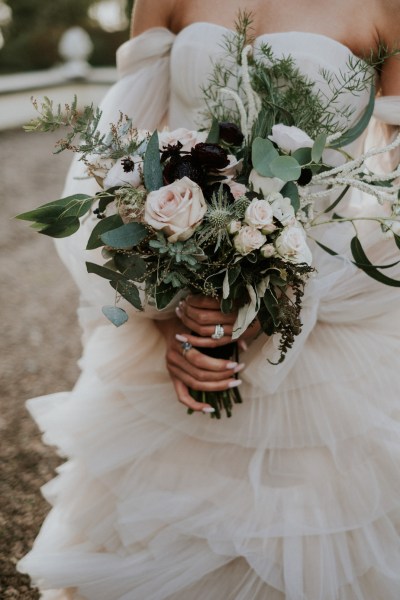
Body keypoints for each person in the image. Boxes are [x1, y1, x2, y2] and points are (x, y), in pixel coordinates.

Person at [18, 0, 400, 598]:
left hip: (323, 324)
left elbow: (395, 186)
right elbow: (121, 150)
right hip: (179, 311)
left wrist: (278, 296)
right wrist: (168, 301)